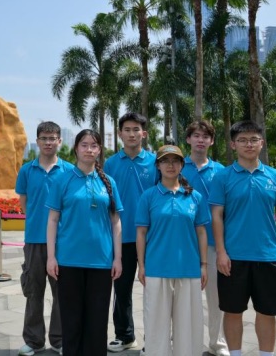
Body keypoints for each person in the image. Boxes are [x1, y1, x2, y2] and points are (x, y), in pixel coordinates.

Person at [209, 121, 276, 356]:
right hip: (233, 258)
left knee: (267, 312)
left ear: (261, 143)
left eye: (254, 139)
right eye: (243, 140)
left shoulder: (275, 177)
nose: (249, 144)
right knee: (232, 311)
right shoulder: (223, 177)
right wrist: (221, 252)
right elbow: (216, 216)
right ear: (233, 144)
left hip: (268, 256)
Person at [46, 129, 123, 356]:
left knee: (97, 322)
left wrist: (118, 258)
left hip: (101, 261)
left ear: (100, 150)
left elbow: (116, 221)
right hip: (69, 261)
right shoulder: (63, 180)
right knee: (71, 321)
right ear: (76, 148)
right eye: (84, 145)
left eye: (94, 145)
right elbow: (52, 220)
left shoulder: (108, 182)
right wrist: (51, 257)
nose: (89, 149)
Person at [136, 145, 210, 356]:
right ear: (158, 165)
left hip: (188, 268)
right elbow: (141, 232)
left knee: (188, 325)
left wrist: (204, 265)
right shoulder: (149, 196)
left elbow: (201, 232)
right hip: (157, 268)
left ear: (182, 165)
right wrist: (142, 265)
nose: (170, 165)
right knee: (156, 325)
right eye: (165, 161)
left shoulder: (194, 197)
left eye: (175, 160)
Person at [16, 121, 73, 356]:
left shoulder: (70, 171)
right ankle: (34, 340)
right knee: (33, 290)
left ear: (59, 141)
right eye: (44, 138)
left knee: (62, 293)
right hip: (35, 240)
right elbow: (24, 203)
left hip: (63, 241)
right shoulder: (26, 171)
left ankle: (59, 340)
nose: (48, 142)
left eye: (52, 138)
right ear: (37, 141)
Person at [103, 112, 156, 352]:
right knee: (121, 289)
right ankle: (125, 336)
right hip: (121, 237)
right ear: (120, 133)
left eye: (136, 129)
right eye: (127, 130)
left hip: (152, 236)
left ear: (144, 133)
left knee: (153, 290)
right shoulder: (111, 164)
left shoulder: (155, 162)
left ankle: (154, 339)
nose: (132, 134)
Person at [181, 121, 229, 356]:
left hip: (212, 242)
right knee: (183, 297)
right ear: (188, 139)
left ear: (212, 141)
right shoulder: (177, 168)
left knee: (215, 296)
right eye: (196, 135)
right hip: (182, 243)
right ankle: (183, 342)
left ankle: (217, 343)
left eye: (205, 136)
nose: (200, 140)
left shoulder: (221, 171)